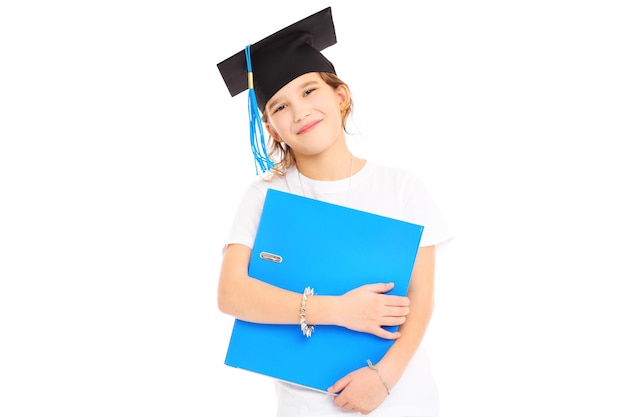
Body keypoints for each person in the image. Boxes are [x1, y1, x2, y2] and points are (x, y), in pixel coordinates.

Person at [216, 7, 453, 416]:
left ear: (340, 96)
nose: (300, 112)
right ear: (271, 128)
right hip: (306, 405)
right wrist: (339, 310)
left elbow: (421, 297)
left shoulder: (400, 187)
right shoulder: (266, 196)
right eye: (280, 107)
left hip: (402, 397)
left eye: (309, 91)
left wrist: (383, 379)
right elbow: (231, 294)